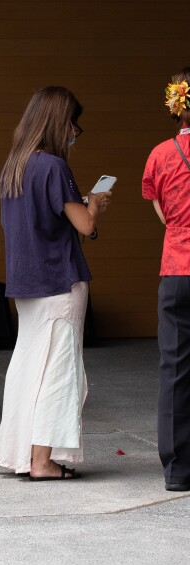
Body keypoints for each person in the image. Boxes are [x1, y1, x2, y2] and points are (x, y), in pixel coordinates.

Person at [0, 86, 111, 480]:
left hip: (25, 282)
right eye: (74, 122)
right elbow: (85, 225)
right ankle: (43, 461)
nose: (76, 130)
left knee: (27, 369)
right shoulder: (55, 167)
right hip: (60, 280)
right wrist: (96, 202)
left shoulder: (15, 165)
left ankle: (21, 455)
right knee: (59, 372)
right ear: (60, 122)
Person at [142, 67, 190, 492]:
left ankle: (177, 470)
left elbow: (161, 211)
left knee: (175, 369)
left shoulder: (161, 153)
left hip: (177, 270)